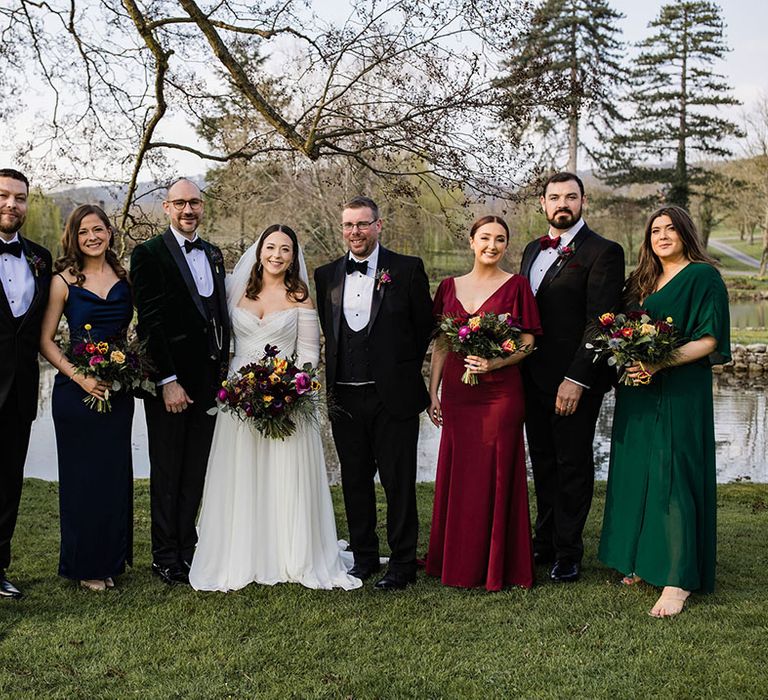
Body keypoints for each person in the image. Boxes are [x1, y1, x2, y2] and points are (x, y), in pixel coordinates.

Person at [189, 225, 361, 592]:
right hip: (238, 396)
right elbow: (227, 346)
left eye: (285, 249)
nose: (277, 255)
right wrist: (238, 388)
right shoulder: (236, 291)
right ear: (260, 250)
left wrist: (295, 389)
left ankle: (290, 551)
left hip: (289, 394)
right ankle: (241, 549)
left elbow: (311, 353)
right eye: (271, 247)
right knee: (241, 471)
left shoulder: (300, 295)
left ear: (293, 255)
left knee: (284, 472)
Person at [599, 206, 730, 618]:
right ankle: (642, 561)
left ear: (686, 233)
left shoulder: (702, 276)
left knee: (673, 475)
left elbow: (709, 339)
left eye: (671, 228)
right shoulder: (642, 280)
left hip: (678, 389)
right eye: (655, 230)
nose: (662, 235)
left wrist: (660, 361)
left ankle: (677, 579)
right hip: (637, 390)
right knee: (637, 473)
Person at [314, 196, 433, 590]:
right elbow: (329, 333)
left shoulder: (407, 269)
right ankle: (364, 557)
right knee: (355, 481)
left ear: (378, 226)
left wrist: (396, 371)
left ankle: (402, 563)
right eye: (348, 225)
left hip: (392, 397)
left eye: (362, 224)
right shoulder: (325, 275)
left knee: (399, 482)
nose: (355, 232)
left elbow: (423, 330)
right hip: (344, 398)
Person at [426, 216, 541, 590]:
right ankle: (456, 559)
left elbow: (527, 343)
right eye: (486, 238)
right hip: (459, 395)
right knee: (460, 473)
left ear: (507, 245)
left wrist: (495, 362)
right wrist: (434, 392)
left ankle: (498, 564)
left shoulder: (517, 286)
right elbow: (442, 343)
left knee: (496, 472)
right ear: (472, 242)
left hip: (501, 393)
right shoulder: (448, 287)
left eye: (501, 240)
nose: (492, 245)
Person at [520, 172, 625, 583]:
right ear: (543, 204)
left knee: (573, 464)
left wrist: (577, 379)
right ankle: (543, 541)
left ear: (583, 202)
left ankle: (568, 551)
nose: (562, 203)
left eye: (570, 197)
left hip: (573, 382)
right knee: (542, 462)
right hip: (531, 378)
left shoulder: (603, 252)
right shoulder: (531, 250)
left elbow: (601, 324)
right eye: (554, 197)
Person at [130, 178, 230, 586]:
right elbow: (150, 321)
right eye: (180, 203)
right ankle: (165, 555)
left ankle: (189, 548)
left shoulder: (213, 253)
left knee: (196, 469)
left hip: (209, 381)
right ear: (166, 208)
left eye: (195, 203)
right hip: (171, 381)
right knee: (168, 468)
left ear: (202, 206)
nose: (188, 210)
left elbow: (218, 314)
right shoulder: (148, 254)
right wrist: (166, 380)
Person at [40, 205, 133, 591]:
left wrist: (129, 367)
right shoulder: (63, 280)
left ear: (109, 233)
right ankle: (86, 566)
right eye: (83, 232)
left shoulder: (125, 277)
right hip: (75, 393)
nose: (92, 237)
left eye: (98, 229)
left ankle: (110, 560)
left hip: (116, 390)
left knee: (113, 477)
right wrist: (81, 377)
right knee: (83, 479)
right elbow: (44, 341)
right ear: (73, 238)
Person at [0, 168, 52, 599]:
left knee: (8, 482)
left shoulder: (40, 257)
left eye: (19, 198)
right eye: (3, 195)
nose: (11, 204)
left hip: (20, 391)